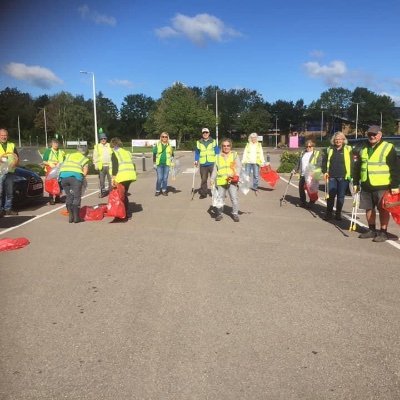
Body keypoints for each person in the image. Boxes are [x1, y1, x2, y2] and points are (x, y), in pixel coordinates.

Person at [352, 125, 400, 242]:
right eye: (370, 134)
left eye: (374, 134)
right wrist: (355, 182)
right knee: (368, 208)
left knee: (383, 210)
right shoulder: (363, 148)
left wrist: (394, 185)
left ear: (380, 135)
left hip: (382, 185)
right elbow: (357, 167)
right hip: (366, 185)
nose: (372, 136)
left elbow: (394, 168)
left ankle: (383, 232)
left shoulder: (388, 147)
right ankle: (371, 230)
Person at [322, 132, 353, 220]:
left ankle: (338, 213)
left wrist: (351, 175)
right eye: (336, 139)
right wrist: (324, 172)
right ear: (333, 140)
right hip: (331, 176)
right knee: (330, 196)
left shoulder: (348, 149)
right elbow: (324, 162)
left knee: (340, 196)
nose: (338, 140)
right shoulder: (329, 149)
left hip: (343, 177)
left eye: (340, 139)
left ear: (343, 140)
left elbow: (351, 163)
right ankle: (328, 213)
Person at [210, 138, 241, 222]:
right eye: (224, 146)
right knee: (220, 198)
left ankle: (235, 213)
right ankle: (219, 214)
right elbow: (215, 169)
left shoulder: (234, 155)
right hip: (221, 181)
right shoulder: (217, 157)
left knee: (234, 198)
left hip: (232, 180)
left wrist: (236, 175)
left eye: (228, 145)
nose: (226, 147)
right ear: (222, 147)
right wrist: (212, 179)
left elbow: (238, 166)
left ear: (230, 146)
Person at [59, 146, 89, 223]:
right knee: (76, 197)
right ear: (84, 152)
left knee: (69, 195)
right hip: (75, 177)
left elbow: (61, 164)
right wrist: (82, 180)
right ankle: (76, 218)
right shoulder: (84, 158)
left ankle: (70, 216)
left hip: (63, 176)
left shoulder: (69, 155)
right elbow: (85, 172)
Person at [110, 137, 137, 222]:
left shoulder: (115, 153)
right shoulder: (127, 152)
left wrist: (113, 178)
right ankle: (125, 214)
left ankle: (123, 215)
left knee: (121, 196)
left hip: (122, 176)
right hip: (130, 175)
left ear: (113, 145)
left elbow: (115, 167)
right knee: (124, 194)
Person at [293, 139, 322, 208]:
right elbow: (299, 163)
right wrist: (294, 169)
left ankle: (312, 201)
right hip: (303, 174)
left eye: (310, 146)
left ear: (313, 146)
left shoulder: (317, 153)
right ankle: (303, 202)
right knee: (301, 188)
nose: (308, 148)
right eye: (307, 146)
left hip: (311, 174)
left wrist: (312, 169)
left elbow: (319, 163)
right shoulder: (303, 153)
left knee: (311, 189)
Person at [194, 128, 220, 199]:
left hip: (212, 163)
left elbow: (217, 151)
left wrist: (219, 160)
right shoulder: (199, 142)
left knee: (214, 179)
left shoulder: (213, 141)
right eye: (203, 133)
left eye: (206, 132)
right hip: (203, 164)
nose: (205, 134)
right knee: (203, 180)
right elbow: (197, 152)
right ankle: (203, 193)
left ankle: (215, 192)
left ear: (209, 133)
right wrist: (196, 160)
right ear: (202, 134)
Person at [0, 128, 19, 216]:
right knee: (0, 192)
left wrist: (15, 162)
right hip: (0, 172)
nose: (4, 137)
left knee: (9, 192)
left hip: (10, 171)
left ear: (7, 136)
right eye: (2, 135)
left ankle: (8, 209)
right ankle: (0, 210)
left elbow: (16, 156)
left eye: (5, 135)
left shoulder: (11, 145)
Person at [42, 138, 65, 204]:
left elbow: (64, 161)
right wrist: (50, 164)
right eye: (54, 143)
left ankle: (58, 198)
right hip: (50, 169)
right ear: (51, 144)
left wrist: (60, 164)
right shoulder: (48, 151)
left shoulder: (61, 152)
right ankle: (51, 199)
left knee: (59, 183)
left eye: (57, 143)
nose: (56, 145)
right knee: (51, 183)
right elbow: (44, 161)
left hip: (59, 169)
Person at [153, 132, 174, 196]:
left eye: (166, 137)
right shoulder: (157, 145)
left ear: (168, 138)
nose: (164, 138)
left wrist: (172, 161)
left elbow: (172, 155)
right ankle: (158, 190)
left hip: (167, 164)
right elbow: (154, 154)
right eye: (163, 137)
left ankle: (164, 190)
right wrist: (154, 163)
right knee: (159, 178)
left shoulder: (170, 146)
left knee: (165, 178)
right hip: (159, 164)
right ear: (161, 137)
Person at [93, 132, 113, 198]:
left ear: (106, 139)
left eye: (104, 138)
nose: (103, 140)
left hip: (110, 166)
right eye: (102, 139)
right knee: (101, 181)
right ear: (100, 140)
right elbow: (95, 156)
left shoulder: (110, 145)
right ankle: (103, 192)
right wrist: (96, 165)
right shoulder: (97, 146)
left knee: (111, 180)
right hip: (101, 166)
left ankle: (111, 192)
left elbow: (113, 154)